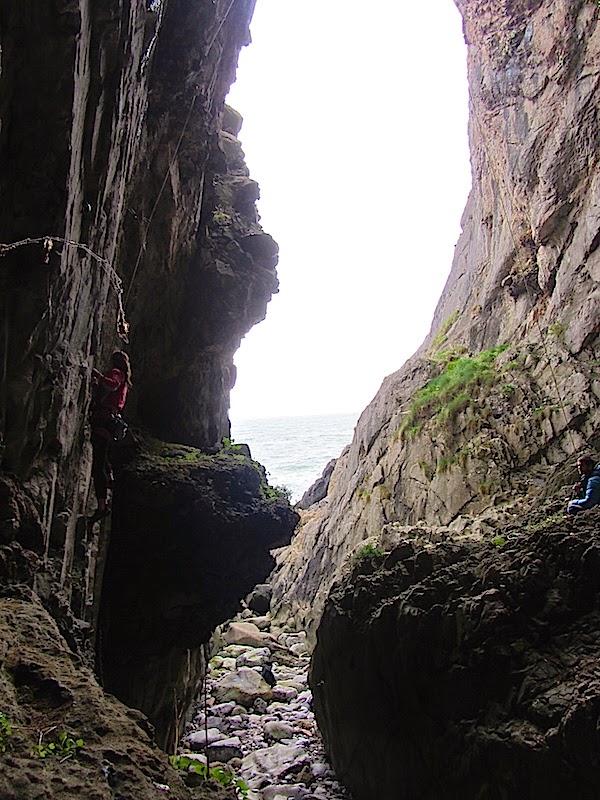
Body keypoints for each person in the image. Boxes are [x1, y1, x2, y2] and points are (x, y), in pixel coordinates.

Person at [89, 351, 132, 524]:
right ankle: (110, 478)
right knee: (102, 456)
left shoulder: (116, 372)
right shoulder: (125, 379)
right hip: (109, 421)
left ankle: (102, 506)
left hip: (104, 419)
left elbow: (112, 385)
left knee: (98, 464)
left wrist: (98, 376)